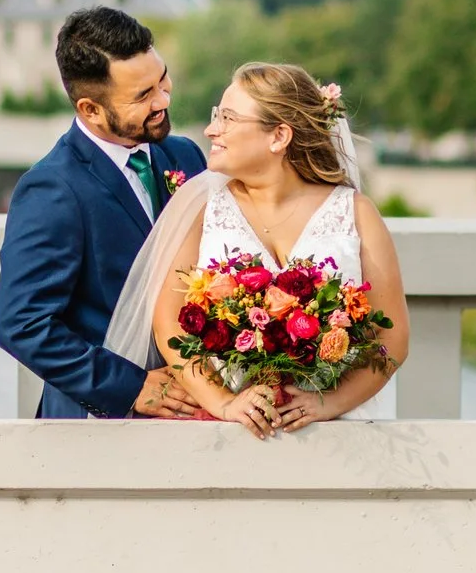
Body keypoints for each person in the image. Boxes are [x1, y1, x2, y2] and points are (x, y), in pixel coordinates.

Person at [104, 61, 412, 438]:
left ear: (279, 136)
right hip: (224, 432)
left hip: (335, 436)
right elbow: (167, 322)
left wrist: (328, 403)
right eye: (217, 116)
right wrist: (222, 402)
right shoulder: (204, 208)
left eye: (228, 118)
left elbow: (392, 338)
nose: (211, 129)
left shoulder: (355, 212)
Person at [0, 7, 211, 418]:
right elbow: (22, 325)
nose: (163, 100)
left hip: (195, 413)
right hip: (98, 426)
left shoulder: (185, 154)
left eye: (161, 79)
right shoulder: (52, 188)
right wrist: (131, 386)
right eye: (142, 96)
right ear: (90, 109)